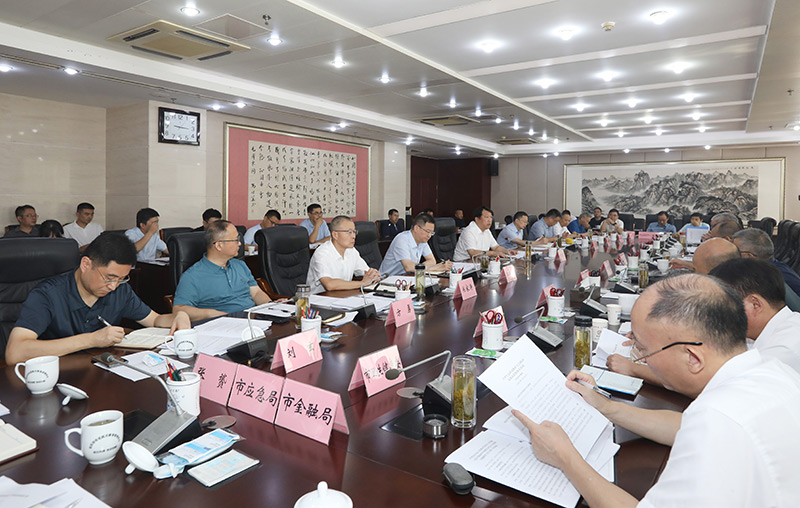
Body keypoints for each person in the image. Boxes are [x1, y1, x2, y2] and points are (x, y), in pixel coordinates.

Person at [513, 273, 800, 507]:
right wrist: (605, 406)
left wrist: (565, 456)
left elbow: (708, 426)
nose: (641, 358)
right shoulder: (770, 371)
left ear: (693, 357)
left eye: (642, 348)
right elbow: (682, 426)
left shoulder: (719, 422)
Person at [5, 234, 191, 363]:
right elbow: (15, 352)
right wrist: (92, 340)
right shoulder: (47, 294)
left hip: (101, 371)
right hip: (56, 375)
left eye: (121, 278)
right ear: (86, 264)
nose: (113, 286)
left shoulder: (120, 290)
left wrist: (179, 316)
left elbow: (155, 320)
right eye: (109, 278)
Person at [710, 258, 800, 373]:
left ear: (755, 304)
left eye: (722, 308)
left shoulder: (779, 352)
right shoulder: (783, 325)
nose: (717, 316)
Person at [174, 220, 271, 320]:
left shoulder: (240, 265)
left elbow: (256, 293)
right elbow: (179, 309)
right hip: (223, 323)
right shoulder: (192, 276)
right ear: (219, 245)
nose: (239, 243)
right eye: (235, 240)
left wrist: (271, 307)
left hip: (253, 320)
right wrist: (210, 313)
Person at [306, 215, 381, 294]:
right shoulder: (322, 253)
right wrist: (362, 283)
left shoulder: (351, 251)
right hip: (319, 298)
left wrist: (373, 274)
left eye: (354, 232)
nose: (354, 236)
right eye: (349, 232)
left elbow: (367, 272)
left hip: (343, 296)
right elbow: (329, 284)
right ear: (335, 235)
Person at [734, 228, 800, 296]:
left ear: (750, 256)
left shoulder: (772, 278)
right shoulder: (766, 269)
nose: (732, 254)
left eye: (735, 251)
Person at [379, 213, 452, 275]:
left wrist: (420, 268)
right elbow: (408, 267)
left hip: (407, 277)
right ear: (416, 228)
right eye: (427, 231)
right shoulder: (402, 239)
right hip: (388, 280)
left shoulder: (423, 240)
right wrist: (436, 268)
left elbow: (432, 261)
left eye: (431, 233)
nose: (429, 236)